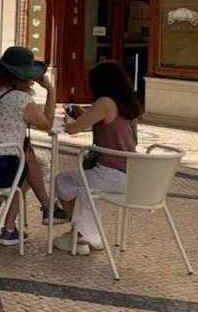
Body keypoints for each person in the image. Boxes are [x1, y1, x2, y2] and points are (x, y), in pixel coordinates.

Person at [0, 46, 67, 246]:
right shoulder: (20, 99)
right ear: (23, 77)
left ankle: (46, 210)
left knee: (26, 154)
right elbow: (46, 123)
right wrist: (51, 91)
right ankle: (12, 227)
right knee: (27, 166)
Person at [54, 60, 140, 255]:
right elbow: (108, 123)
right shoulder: (127, 105)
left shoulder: (105, 102)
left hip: (110, 173)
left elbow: (74, 129)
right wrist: (84, 115)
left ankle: (82, 235)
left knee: (63, 181)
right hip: (132, 176)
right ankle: (83, 234)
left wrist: (68, 123)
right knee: (81, 185)